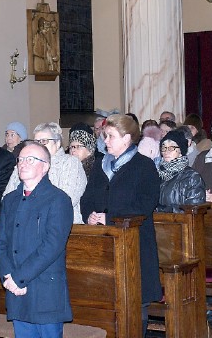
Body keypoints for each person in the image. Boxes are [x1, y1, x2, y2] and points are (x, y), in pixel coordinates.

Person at [80, 114, 161, 336]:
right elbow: (87, 197)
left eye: (111, 136)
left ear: (126, 138)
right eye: (105, 136)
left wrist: (110, 217)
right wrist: (89, 215)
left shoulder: (143, 166)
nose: (105, 141)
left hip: (134, 242)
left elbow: (145, 203)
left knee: (135, 297)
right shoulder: (100, 165)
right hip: (103, 240)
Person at [0, 142, 73, 337]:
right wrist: (8, 277)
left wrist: (19, 278)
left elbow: (52, 246)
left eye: (31, 159)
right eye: (20, 159)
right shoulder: (10, 199)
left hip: (44, 288)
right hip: (15, 287)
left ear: (45, 167)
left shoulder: (58, 199)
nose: (23, 163)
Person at [4, 122, 87, 224]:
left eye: (44, 141)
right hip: (23, 223)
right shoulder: (23, 163)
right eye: (36, 142)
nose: (40, 146)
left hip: (61, 225)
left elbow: (67, 199)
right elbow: (7, 198)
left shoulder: (70, 162)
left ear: (57, 143)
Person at [156, 130, 205, 213]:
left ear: (180, 152)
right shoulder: (156, 174)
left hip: (181, 224)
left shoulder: (192, 177)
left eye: (172, 148)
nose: (166, 151)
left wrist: (164, 210)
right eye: (164, 147)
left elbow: (193, 210)